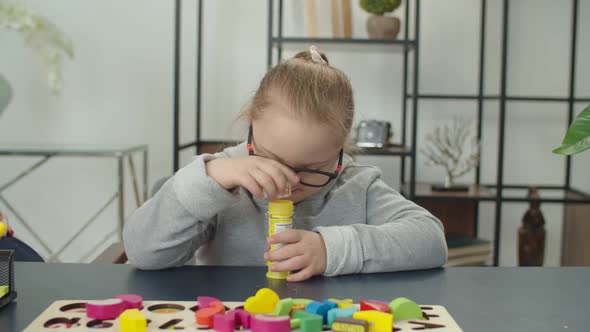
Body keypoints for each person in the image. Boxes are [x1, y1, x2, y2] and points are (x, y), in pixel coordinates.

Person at [123, 46, 447, 282]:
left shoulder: (356, 185)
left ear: (341, 148)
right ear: (251, 123)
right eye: (270, 159)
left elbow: (430, 240)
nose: (287, 181)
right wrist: (209, 177)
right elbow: (143, 252)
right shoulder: (222, 180)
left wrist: (330, 249)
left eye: (311, 168)